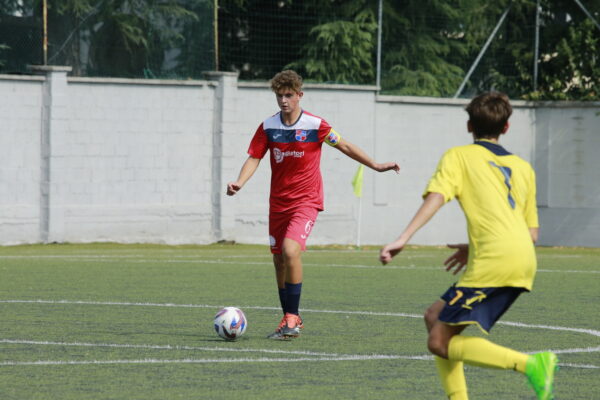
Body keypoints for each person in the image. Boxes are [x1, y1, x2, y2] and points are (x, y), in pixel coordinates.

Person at [379, 92, 557, 400]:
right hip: (521, 258)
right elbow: (532, 234)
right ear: (507, 127)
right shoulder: (523, 168)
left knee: (438, 342)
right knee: (434, 317)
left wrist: (403, 238)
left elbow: (436, 197)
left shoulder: (459, 156)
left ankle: (531, 364)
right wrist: (472, 247)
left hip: (494, 260)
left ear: (468, 126)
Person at [227, 70, 400, 340]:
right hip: (278, 204)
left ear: (299, 95)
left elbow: (344, 146)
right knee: (279, 260)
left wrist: (376, 165)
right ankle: (289, 318)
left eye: (288, 95)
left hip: (306, 201)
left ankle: (293, 319)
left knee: (290, 250)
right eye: (279, 96)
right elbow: (254, 157)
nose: (284, 101)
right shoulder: (268, 127)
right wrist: (240, 182)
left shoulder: (315, 125)